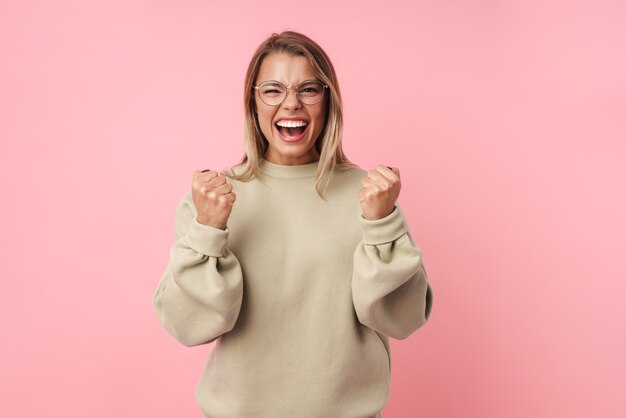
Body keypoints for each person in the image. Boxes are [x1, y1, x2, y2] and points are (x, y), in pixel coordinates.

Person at [152, 30, 433, 418]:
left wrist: (382, 223)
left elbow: (403, 319)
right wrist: (207, 230)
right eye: (272, 90)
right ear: (253, 102)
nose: (291, 104)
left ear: (327, 100)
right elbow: (189, 326)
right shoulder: (213, 197)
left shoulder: (369, 194)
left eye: (308, 89)